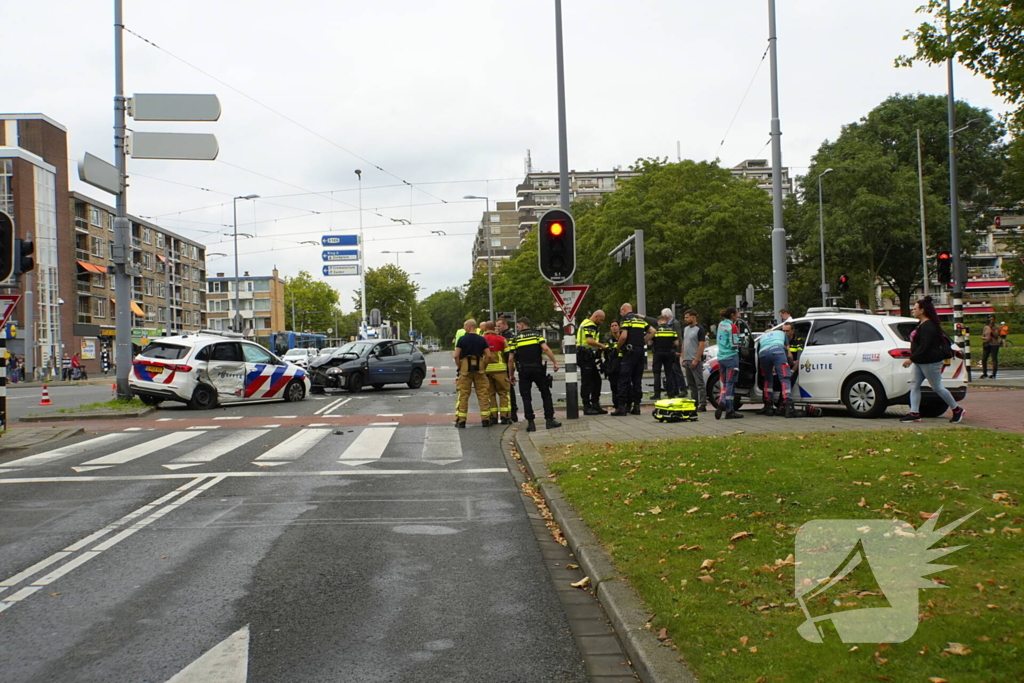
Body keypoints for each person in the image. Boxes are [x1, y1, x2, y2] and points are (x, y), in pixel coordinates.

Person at [900, 296, 965, 424]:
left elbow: (925, 346)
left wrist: (911, 359)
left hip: (929, 361)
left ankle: (957, 409)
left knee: (937, 387)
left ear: (922, 310)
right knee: (914, 385)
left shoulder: (928, 326)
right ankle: (914, 413)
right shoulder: (922, 325)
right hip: (921, 361)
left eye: (915, 309)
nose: (913, 311)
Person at [507, 317, 561, 432]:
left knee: (526, 397)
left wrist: (511, 374)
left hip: (523, 370)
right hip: (537, 368)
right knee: (545, 393)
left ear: (521, 325)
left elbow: (511, 359)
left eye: (517, 326)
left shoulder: (514, 339)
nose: (517, 328)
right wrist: (555, 362)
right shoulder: (537, 335)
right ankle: (549, 420)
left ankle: (531, 423)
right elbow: (546, 349)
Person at [612, 303, 654, 416]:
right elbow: (653, 331)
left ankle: (621, 407)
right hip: (640, 352)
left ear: (624, 310)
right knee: (637, 380)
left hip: (629, 352)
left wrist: (618, 347)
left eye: (621, 312)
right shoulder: (640, 320)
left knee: (624, 379)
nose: (621, 314)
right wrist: (642, 341)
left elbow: (624, 336)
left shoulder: (626, 319)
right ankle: (636, 406)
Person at [453, 319, 492, 428]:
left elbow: (456, 355)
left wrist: (460, 367)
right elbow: (488, 355)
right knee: (483, 393)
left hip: (465, 368)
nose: (464, 328)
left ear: (469, 327)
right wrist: (484, 366)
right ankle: (486, 419)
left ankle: (461, 420)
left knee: (463, 394)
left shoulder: (462, 339)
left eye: (465, 326)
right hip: (479, 367)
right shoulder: (482, 339)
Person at [757, 324, 794, 417]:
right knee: (785, 377)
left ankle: (768, 407)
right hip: (777, 351)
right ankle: (788, 406)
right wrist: (791, 364)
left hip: (763, 354)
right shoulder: (781, 334)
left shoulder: (762, 337)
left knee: (767, 379)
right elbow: (789, 354)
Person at [576, 310, 608, 415]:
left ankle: (595, 404)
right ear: (596, 316)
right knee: (587, 382)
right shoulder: (590, 325)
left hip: (587, 356)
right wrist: (601, 346)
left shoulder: (585, 323)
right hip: (585, 356)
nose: (601, 322)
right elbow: (589, 341)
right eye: (601, 320)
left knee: (596, 381)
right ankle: (587, 406)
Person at [481, 321, 511, 425]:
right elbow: (508, 355)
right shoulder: (502, 339)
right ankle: (505, 416)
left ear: (485, 329)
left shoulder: (482, 340)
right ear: (494, 329)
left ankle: (493, 417)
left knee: (490, 394)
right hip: (500, 371)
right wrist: (511, 370)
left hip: (487, 371)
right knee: (503, 393)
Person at [715, 307, 743, 420]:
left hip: (721, 357)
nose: (739, 315)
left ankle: (722, 401)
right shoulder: (733, 326)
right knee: (731, 384)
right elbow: (734, 343)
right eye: (737, 313)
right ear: (732, 315)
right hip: (731, 357)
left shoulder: (721, 324)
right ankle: (730, 410)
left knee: (725, 383)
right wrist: (740, 341)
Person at [681, 309, 707, 411]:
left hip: (695, 359)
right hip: (687, 359)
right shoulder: (686, 329)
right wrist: (683, 358)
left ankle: (703, 403)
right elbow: (684, 343)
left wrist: (696, 359)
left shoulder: (699, 329)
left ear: (693, 317)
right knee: (691, 384)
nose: (685, 319)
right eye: (685, 317)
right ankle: (694, 402)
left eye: (687, 317)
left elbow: (702, 345)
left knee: (699, 383)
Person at [651, 314, 681, 400]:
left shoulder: (656, 330)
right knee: (669, 373)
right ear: (665, 321)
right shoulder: (672, 330)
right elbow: (676, 343)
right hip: (668, 353)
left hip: (658, 353)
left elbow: (649, 342)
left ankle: (657, 394)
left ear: (658, 322)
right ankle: (670, 393)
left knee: (657, 373)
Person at [495, 317, 519, 422]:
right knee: (507, 390)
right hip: (505, 366)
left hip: (506, 367)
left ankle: (512, 413)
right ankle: (512, 413)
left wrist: (511, 370)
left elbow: (509, 354)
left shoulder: (508, 336)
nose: (497, 328)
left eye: (499, 326)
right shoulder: (501, 335)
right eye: (496, 326)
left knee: (508, 390)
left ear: (505, 325)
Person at [602, 321, 622, 401]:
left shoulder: (623, 338)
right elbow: (606, 355)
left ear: (619, 327)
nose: (614, 327)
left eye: (616, 325)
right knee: (614, 387)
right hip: (612, 368)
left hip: (622, 366)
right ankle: (616, 405)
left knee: (624, 386)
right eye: (612, 326)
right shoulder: (608, 340)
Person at [981, 315, 1001, 379]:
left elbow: (996, 336)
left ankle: (993, 374)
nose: (991, 321)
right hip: (987, 344)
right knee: (984, 359)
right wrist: (985, 338)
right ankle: (984, 373)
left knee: (994, 358)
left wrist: (991, 329)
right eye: (990, 319)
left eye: (992, 319)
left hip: (994, 344)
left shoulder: (997, 327)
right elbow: (982, 336)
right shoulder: (985, 327)